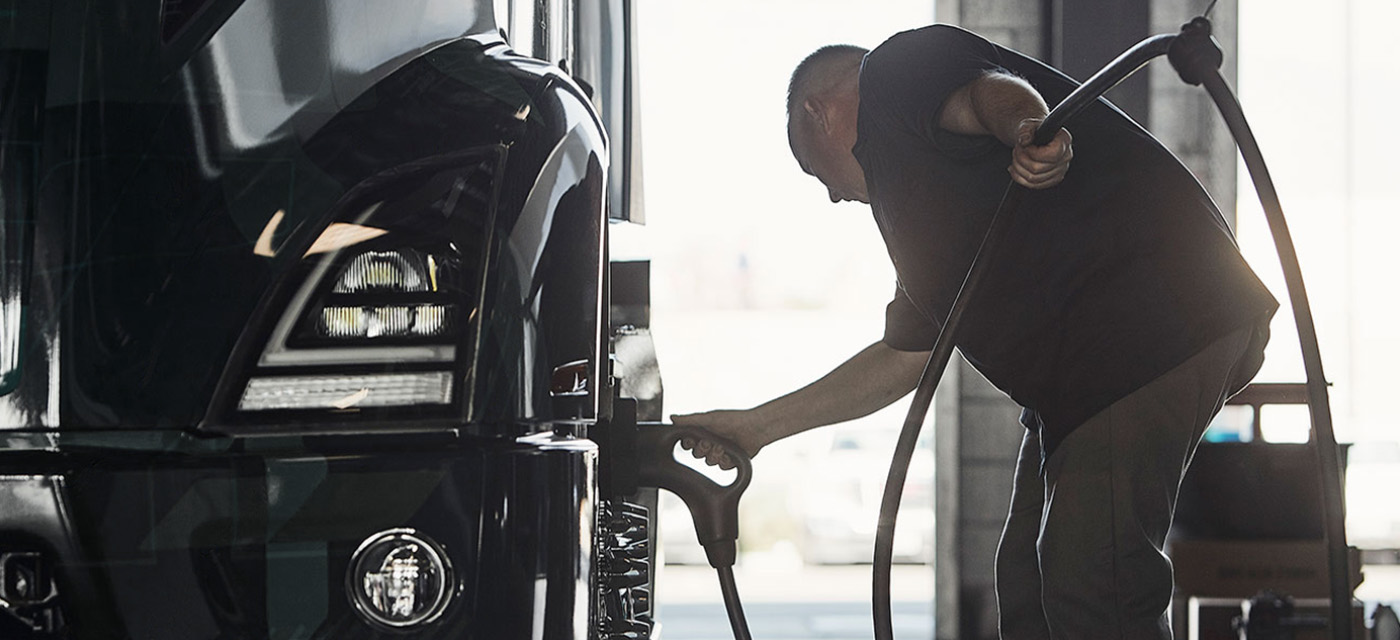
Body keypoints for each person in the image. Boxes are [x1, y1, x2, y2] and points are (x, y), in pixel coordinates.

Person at [671, 24, 1277, 640]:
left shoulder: (892, 71)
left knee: (1095, 583)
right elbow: (904, 359)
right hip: (1091, 373)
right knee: (1027, 584)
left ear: (817, 112)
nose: (830, 195)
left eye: (813, 170)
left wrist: (1028, 128)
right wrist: (756, 428)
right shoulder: (925, 223)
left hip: (1144, 325)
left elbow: (985, 93)